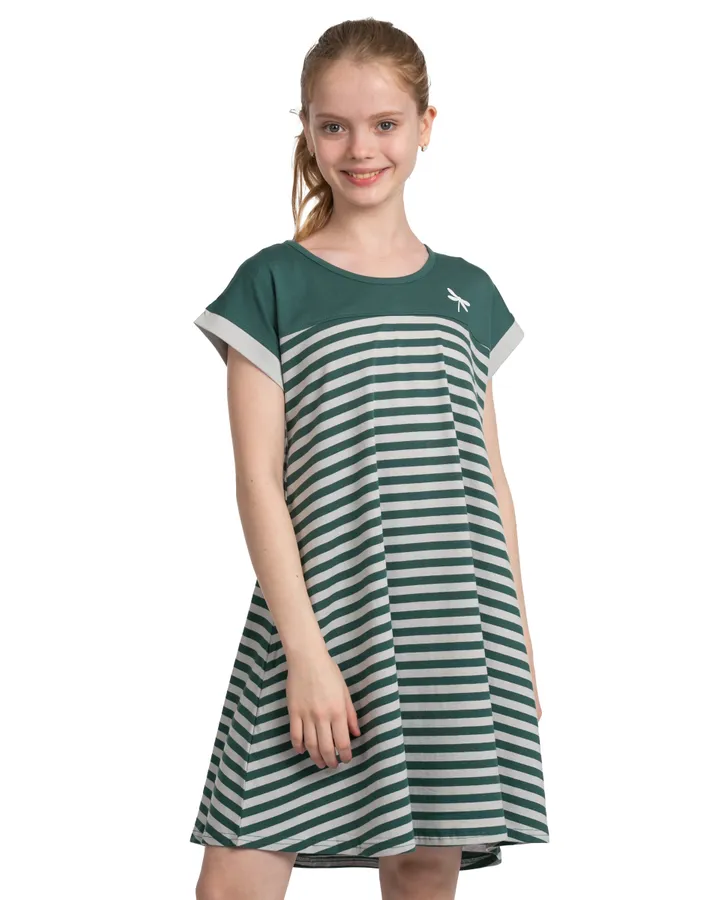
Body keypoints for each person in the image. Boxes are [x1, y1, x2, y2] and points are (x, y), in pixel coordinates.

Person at [191, 16, 550, 900]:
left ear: (426, 126)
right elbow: (257, 482)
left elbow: (490, 481)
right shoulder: (272, 282)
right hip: (321, 618)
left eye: (385, 124)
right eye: (334, 126)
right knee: (236, 879)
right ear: (307, 131)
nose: (360, 149)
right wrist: (305, 653)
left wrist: (518, 643)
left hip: (456, 625)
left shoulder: (468, 290)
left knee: (424, 871)